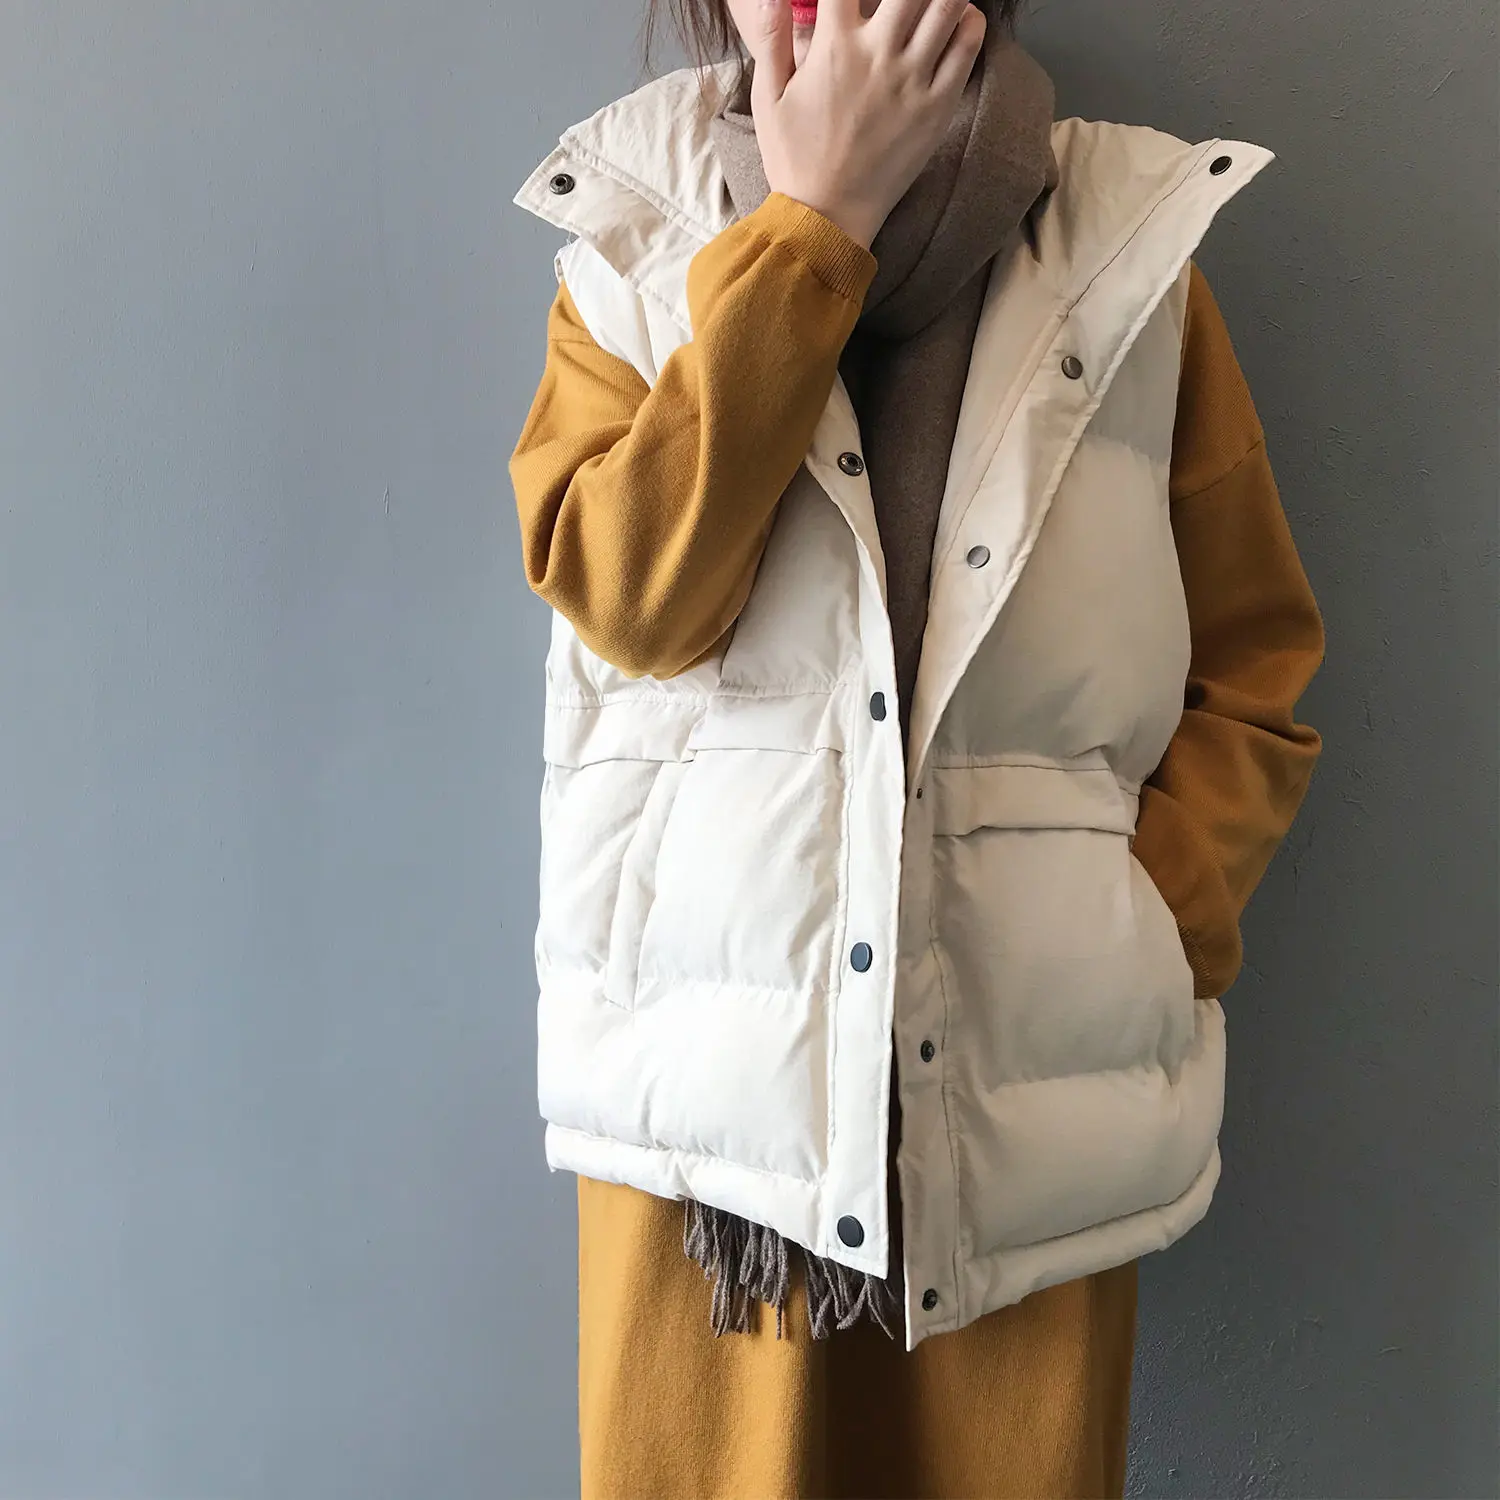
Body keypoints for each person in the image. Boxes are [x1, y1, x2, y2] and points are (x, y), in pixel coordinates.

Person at [507, 0, 1325, 1493]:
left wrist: (1148, 924)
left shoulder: (1128, 251)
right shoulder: (633, 237)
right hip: (706, 1137)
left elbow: (1254, 668)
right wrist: (813, 226)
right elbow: (633, 601)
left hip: (1025, 1131)